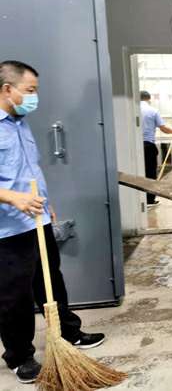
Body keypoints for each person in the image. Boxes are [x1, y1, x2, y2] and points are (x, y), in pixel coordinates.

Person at [0, 61, 106, 385]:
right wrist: (12, 198)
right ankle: (20, 357)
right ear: (7, 89)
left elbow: (29, 170)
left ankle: (68, 333)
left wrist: (48, 204)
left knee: (51, 281)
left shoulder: (20, 124)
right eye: (30, 90)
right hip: (9, 227)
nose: (35, 97)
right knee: (15, 294)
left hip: (38, 217)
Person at [140, 91, 172, 206]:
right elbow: (164, 129)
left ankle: (140, 200)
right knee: (150, 173)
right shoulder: (152, 111)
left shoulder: (132, 110)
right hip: (148, 145)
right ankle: (149, 200)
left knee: (138, 173)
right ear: (149, 99)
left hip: (135, 146)